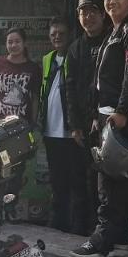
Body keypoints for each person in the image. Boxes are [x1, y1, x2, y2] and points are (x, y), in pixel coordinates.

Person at [75, 0, 128, 257]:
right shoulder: (111, 34)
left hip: (121, 118)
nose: (111, 2)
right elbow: (101, 81)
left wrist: (121, 112)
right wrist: (98, 114)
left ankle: (102, 238)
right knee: (117, 182)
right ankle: (119, 235)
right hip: (106, 117)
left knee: (109, 182)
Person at [64, 0, 108, 235]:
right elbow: (69, 88)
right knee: (82, 179)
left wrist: (98, 116)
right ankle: (84, 230)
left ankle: (105, 229)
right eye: (83, 12)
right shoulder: (76, 48)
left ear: (102, 14)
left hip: (106, 122)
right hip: (83, 127)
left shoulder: (111, 41)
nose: (87, 16)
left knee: (106, 181)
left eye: (92, 11)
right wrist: (75, 125)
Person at [38, 17, 84, 233]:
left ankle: (79, 225)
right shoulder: (48, 59)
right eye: (53, 34)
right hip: (50, 131)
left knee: (76, 179)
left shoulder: (77, 56)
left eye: (61, 34)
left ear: (70, 36)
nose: (57, 37)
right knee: (57, 180)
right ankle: (59, 222)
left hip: (71, 132)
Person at [0, 27, 41, 123]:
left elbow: (35, 98)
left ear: (24, 43)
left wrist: (33, 123)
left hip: (22, 125)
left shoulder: (33, 68)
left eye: (17, 41)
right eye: (10, 42)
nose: (13, 45)